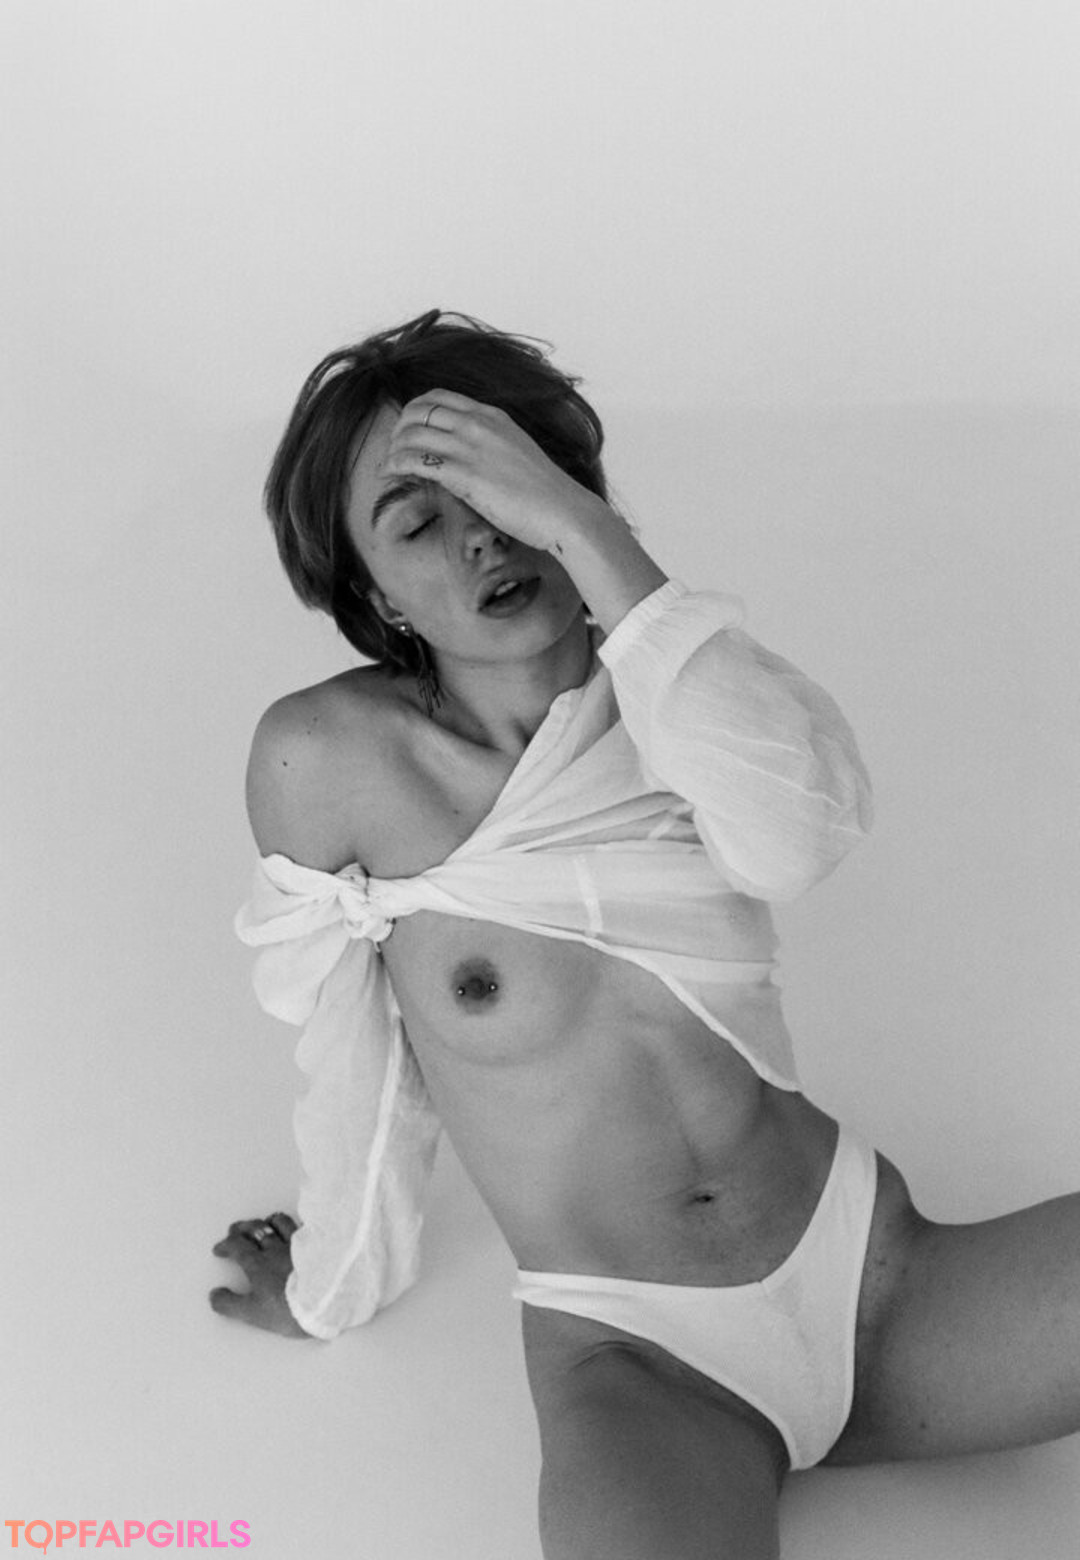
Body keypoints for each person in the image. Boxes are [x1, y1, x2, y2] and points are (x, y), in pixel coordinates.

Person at [210, 309, 1080, 1559]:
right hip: (639, 1361)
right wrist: (330, 1287)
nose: (482, 537)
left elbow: (799, 841)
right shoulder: (330, 762)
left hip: (883, 1283)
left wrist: (592, 537)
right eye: (418, 521)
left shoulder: (688, 691)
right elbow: (359, 1061)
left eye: (503, 490)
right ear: (372, 594)